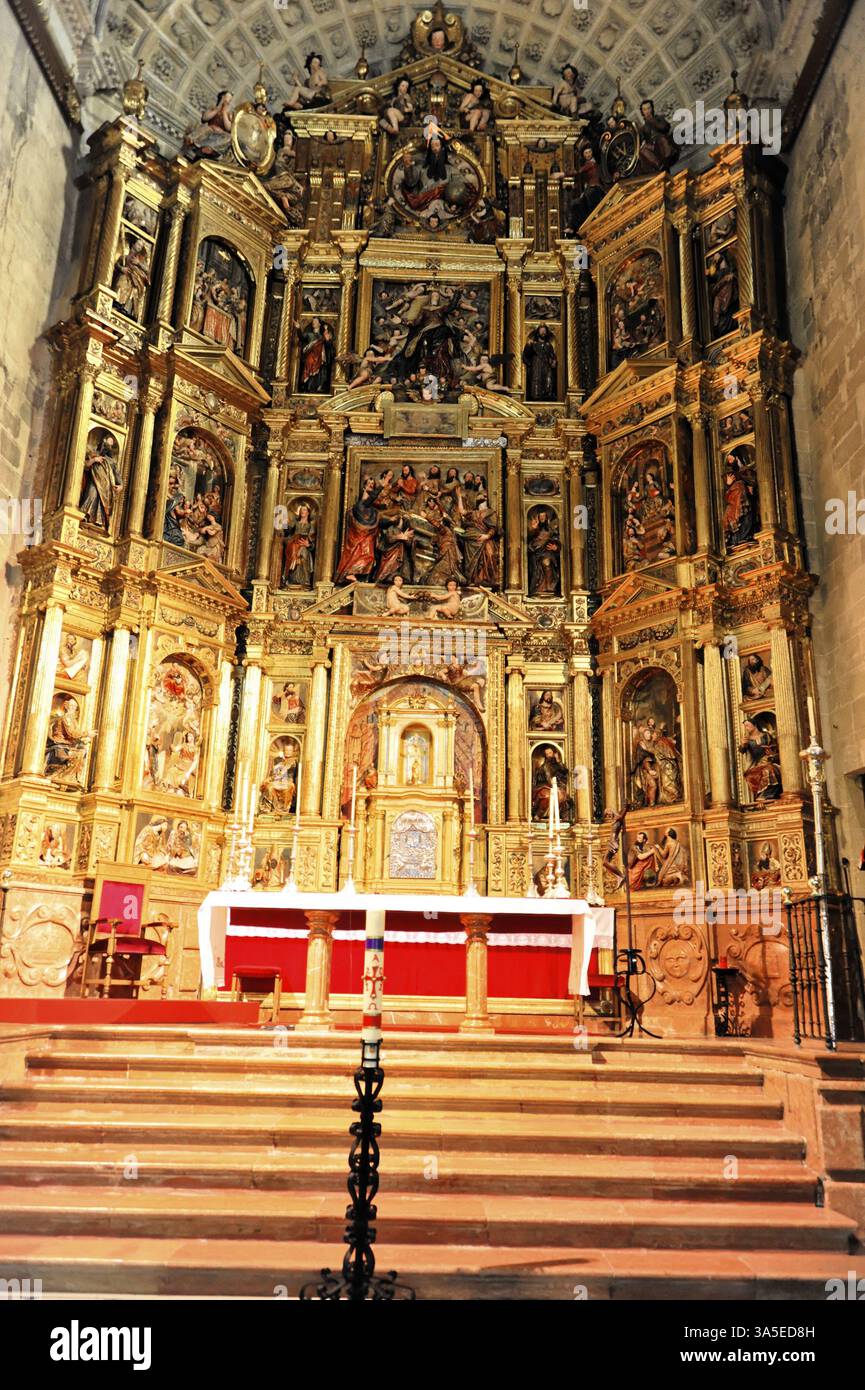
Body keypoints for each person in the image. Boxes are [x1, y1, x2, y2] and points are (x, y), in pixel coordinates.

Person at [79, 436, 123, 530]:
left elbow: (117, 475)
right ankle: (86, 516)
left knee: (102, 503)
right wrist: (94, 460)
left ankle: (99, 521)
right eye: (107, 444)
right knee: (91, 495)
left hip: (106, 488)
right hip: (94, 481)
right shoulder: (93, 454)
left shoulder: (112, 462)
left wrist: (120, 485)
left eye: (110, 445)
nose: (108, 447)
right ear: (103, 442)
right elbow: (84, 465)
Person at [522, 325, 558, 401]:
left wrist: (553, 361)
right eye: (541, 331)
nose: (543, 332)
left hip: (546, 366)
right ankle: (535, 396)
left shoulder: (549, 345)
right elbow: (526, 354)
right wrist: (528, 346)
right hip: (536, 366)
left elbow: (552, 355)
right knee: (536, 382)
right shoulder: (533, 344)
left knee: (548, 382)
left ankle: (547, 395)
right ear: (538, 332)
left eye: (544, 331)